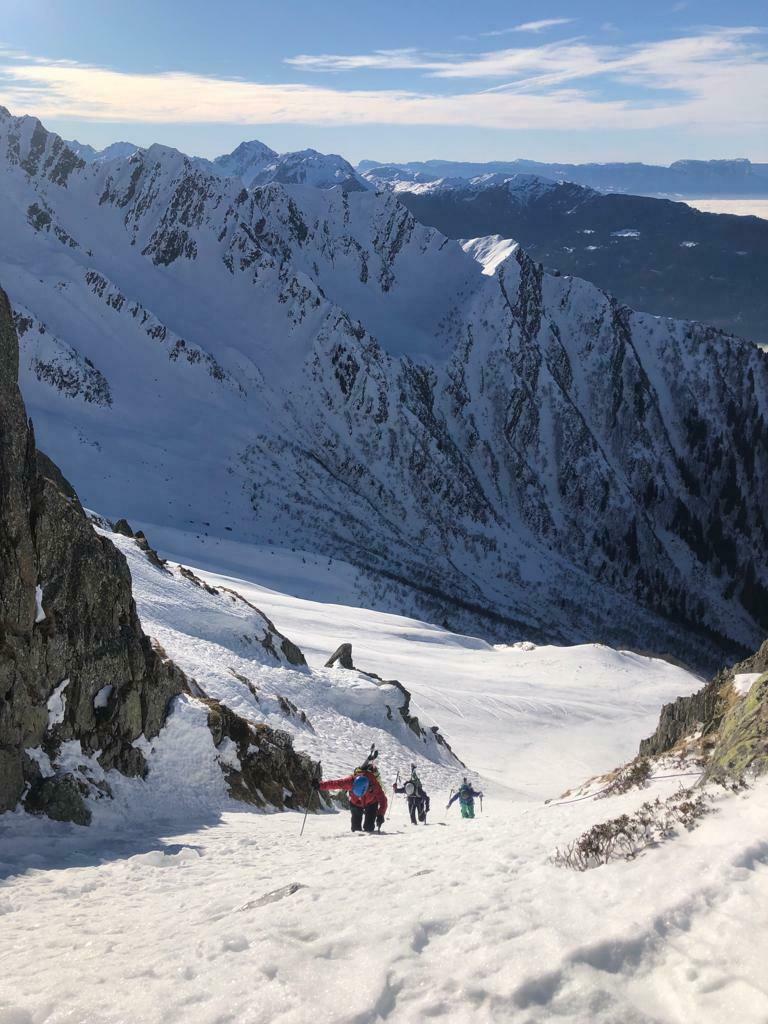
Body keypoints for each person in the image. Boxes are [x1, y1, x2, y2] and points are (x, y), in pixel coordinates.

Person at [317, 761, 389, 833]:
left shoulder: (374, 784)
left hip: (371, 803)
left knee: (369, 827)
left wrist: (380, 814)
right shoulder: (350, 781)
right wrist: (319, 785)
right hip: (356, 803)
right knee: (355, 829)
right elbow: (335, 784)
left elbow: (383, 800)